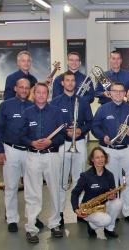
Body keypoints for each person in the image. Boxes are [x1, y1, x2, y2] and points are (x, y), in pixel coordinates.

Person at [92, 82, 129, 224]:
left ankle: (127, 210)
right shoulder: (103, 109)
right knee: (111, 181)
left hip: (128, 149)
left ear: (125, 93)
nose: (118, 93)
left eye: (121, 91)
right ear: (110, 92)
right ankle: (112, 210)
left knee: (126, 180)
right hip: (110, 150)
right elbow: (95, 126)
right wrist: (103, 137)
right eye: (115, 91)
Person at [20, 83, 65, 243]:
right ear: (34, 94)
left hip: (51, 156)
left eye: (44, 92)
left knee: (54, 190)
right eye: (37, 92)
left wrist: (50, 143)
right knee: (32, 193)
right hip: (33, 156)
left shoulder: (56, 112)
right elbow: (21, 136)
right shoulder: (27, 113)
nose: (40, 95)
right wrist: (32, 143)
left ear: (48, 95)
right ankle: (31, 228)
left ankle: (55, 224)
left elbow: (62, 136)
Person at [0, 78, 36, 232]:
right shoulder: (6, 105)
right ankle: (12, 219)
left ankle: (32, 218)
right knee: (11, 186)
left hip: (29, 152)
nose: (24, 90)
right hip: (10, 150)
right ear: (15, 88)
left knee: (31, 187)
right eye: (21, 87)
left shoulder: (33, 106)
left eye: (27, 88)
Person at [51, 71, 93, 225]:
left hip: (79, 142)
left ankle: (78, 211)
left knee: (79, 179)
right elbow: (52, 124)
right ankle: (60, 213)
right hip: (62, 143)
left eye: (72, 81)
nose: (69, 83)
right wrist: (64, 131)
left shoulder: (83, 102)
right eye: (67, 80)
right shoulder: (54, 102)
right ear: (62, 83)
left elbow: (90, 122)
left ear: (75, 83)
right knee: (61, 180)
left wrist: (81, 130)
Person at [71, 147, 123, 239]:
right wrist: (76, 209)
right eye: (97, 157)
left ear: (105, 158)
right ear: (92, 159)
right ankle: (91, 226)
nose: (100, 160)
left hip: (103, 205)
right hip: (89, 209)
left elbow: (113, 191)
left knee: (118, 202)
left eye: (102, 157)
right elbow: (75, 193)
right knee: (107, 220)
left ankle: (109, 229)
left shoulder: (109, 175)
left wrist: (112, 196)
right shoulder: (86, 176)